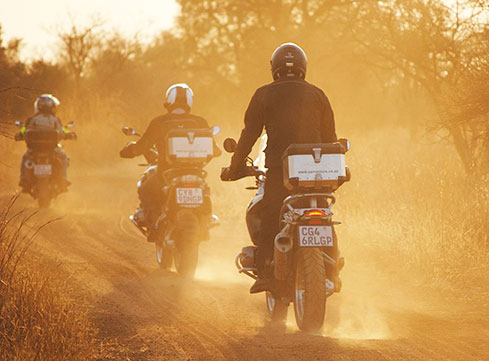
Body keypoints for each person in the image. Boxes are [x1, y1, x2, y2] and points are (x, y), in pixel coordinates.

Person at [222, 42, 337, 293]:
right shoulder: (318, 94)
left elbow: (249, 136)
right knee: (323, 212)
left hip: (279, 170)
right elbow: (331, 140)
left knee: (271, 214)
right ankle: (333, 267)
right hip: (317, 173)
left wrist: (234, 168)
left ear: (274, 68)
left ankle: (265, 271)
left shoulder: (264, 94)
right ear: (303, 67)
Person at [119, 83, 217, 240]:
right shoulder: (200, 122)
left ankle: (155, 227)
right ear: (189, 101)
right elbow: (215, 150)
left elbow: (141, 147)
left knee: (146, 189)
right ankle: (206, 221)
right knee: (205, 190)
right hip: (196, 172)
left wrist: (129, 151)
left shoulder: (159, 122)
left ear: (169, 100)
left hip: (166, 173)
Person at [17, 94, 73, 191]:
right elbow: (61, 131)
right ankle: (62, 180)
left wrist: (20, 135)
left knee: (25, 158)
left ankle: (24, 180)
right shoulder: (55, 119)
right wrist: (69, 134)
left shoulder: (33, 119)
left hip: (34, 149)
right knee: (63, 157)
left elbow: (25, 130)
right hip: (52, 149)